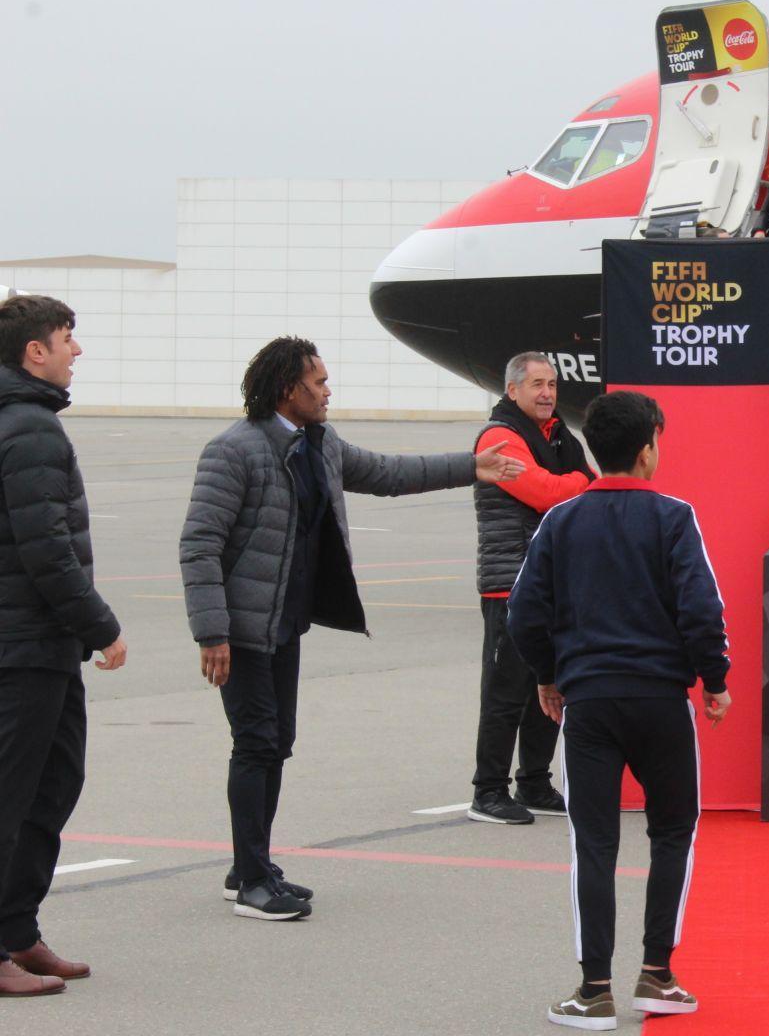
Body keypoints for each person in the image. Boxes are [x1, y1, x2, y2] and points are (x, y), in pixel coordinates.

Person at [180, 337, 523, 922]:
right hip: (241, 628)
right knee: (257, 744)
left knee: (277, 743)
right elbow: (199, 544)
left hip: (284, 622)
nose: (327, 389)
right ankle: (253, 882)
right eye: (318, 380)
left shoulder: (320, 444)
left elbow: (388, 473)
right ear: (289, 387)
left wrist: (473, 466)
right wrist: (211, 631)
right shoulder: (234, 450)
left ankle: (249, 863)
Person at [508, 390, 730, 1028]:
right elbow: (701, 610)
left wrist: (550, 676)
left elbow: (526, 614)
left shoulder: (561, 520)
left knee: (595, 841)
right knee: (671, 833)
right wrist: (714, 680)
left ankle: (594, 990)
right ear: (647, 447)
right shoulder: (674, 516)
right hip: (662, 701)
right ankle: (657, 975)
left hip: (590, 703)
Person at [0, 296, 128, 998]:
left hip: (37, 644)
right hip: (25, 644)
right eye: (67, 339)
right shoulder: (29, 430)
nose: (75, 350)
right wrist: (100, 625)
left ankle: (18, 931)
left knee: (53, 785)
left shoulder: (26, 422)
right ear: (34, 352)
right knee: (13, 797)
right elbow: (45, 550)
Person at [468, 352, 592, 826]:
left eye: (553, 385)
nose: (547, 393)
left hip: (553, 584)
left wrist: (576, 482)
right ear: (512, 390)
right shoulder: (499, 438)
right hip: (510, 583)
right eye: (537, 384)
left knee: (550, 687)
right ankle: (489, 791)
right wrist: (577, 480)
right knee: (506, 692)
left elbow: (588, 489)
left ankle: (535, 782)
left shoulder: (560, 435)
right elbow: (547, 493)